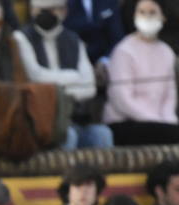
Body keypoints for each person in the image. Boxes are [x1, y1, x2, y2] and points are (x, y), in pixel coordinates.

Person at [15, 0, 113, 149]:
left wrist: (55, 89)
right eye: (41, 10)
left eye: (52, 9)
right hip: (41, 122)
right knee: (67, 136)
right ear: (32, 10)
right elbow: (35, 77)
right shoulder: (20, 38)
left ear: (64, 11)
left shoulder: (73, 39)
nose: (46, 14)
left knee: (102, 134)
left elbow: (90, 86)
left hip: (76, 119)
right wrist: (74, 77)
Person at [101, 0, 179, 144]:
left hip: (158, 123)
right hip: (126, 120)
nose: (147, 17)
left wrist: (168, 120)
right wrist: (153, 120)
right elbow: (121, 99)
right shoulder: (124, 50)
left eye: (152, 12)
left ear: (163, 17)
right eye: (142, 12)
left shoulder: (167, 52)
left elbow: (170, 95)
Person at [63, 0, 124, 65]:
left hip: (108, 59)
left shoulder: (108, 2)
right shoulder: (67, 4)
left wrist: (105, 60)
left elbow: (117, 37)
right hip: (78, 60)